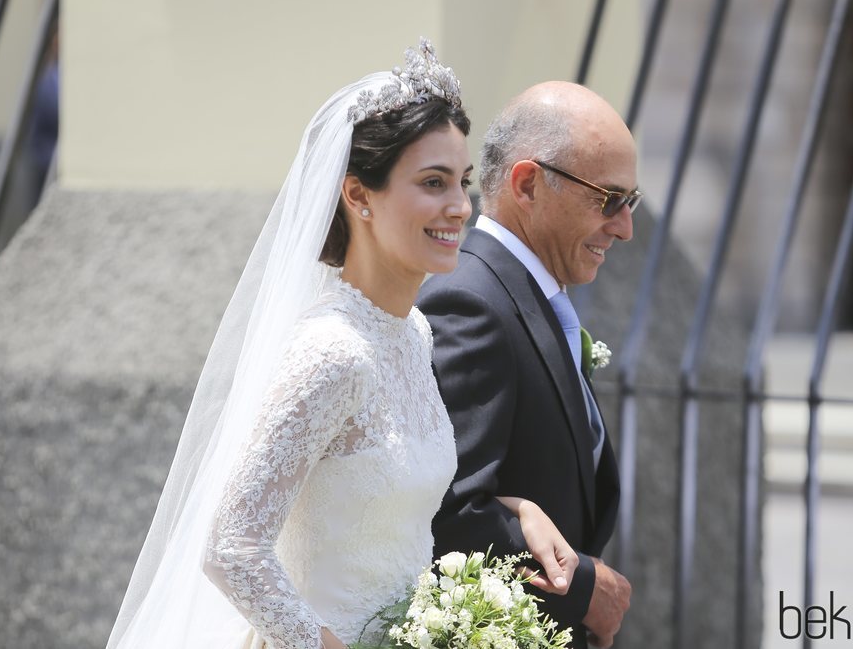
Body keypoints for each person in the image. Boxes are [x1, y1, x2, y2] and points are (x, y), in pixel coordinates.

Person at [105, 41, 576, 649]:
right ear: (358, 196)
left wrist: (519, 509)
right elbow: (232, 547)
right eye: (433, 183)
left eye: (461, 182)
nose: (459, 207)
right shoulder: (332, 351)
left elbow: (390, 497)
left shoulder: (412, 332)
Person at [418, 81, 640, 649]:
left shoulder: (530, 294)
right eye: (607, 199)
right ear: (527, 184)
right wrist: (585, 586)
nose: (624, 227)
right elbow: (446, 512)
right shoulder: (470, 302)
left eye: (630, 202)